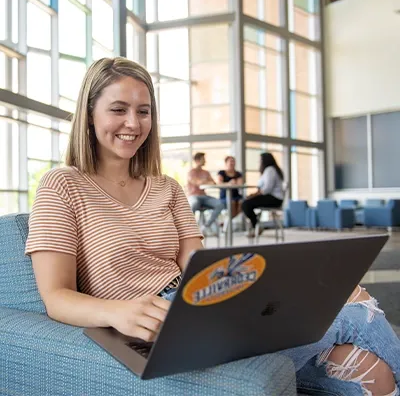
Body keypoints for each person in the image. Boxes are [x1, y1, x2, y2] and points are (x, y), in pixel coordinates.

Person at [25, 58, 399, 396]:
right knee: (360, 315)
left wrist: (256, 288)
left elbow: (198, 265)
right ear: (89, 114)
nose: (133, 123)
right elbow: (56, 296)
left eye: (144, 111)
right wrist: (116, 312)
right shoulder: (63, 185)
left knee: (370, 368)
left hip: (202, 306)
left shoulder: (166, 187)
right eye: (118, 110)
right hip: (150, 325)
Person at [242, 152, 284, 238]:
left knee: (245, 204)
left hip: (274, 199)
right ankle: (256, 224)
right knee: (247, 203)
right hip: (272, 198)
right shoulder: (271, 170)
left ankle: (256, 225)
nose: (259, 162)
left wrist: (254, 195)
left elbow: (267, 189)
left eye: (260, 160)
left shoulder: (270, 170)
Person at [187, 152, 224, 236]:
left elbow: (213, 183)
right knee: (194, 204)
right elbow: (197, 183)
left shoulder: (206, 172)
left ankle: (206, 225)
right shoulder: (191, 172)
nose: (205, 161)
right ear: (197, 160)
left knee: (220, 204)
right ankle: (189, 229)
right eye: (203, 159)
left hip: (204, 196)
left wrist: (203, 181)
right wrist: (205, 181)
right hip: (194, 195)